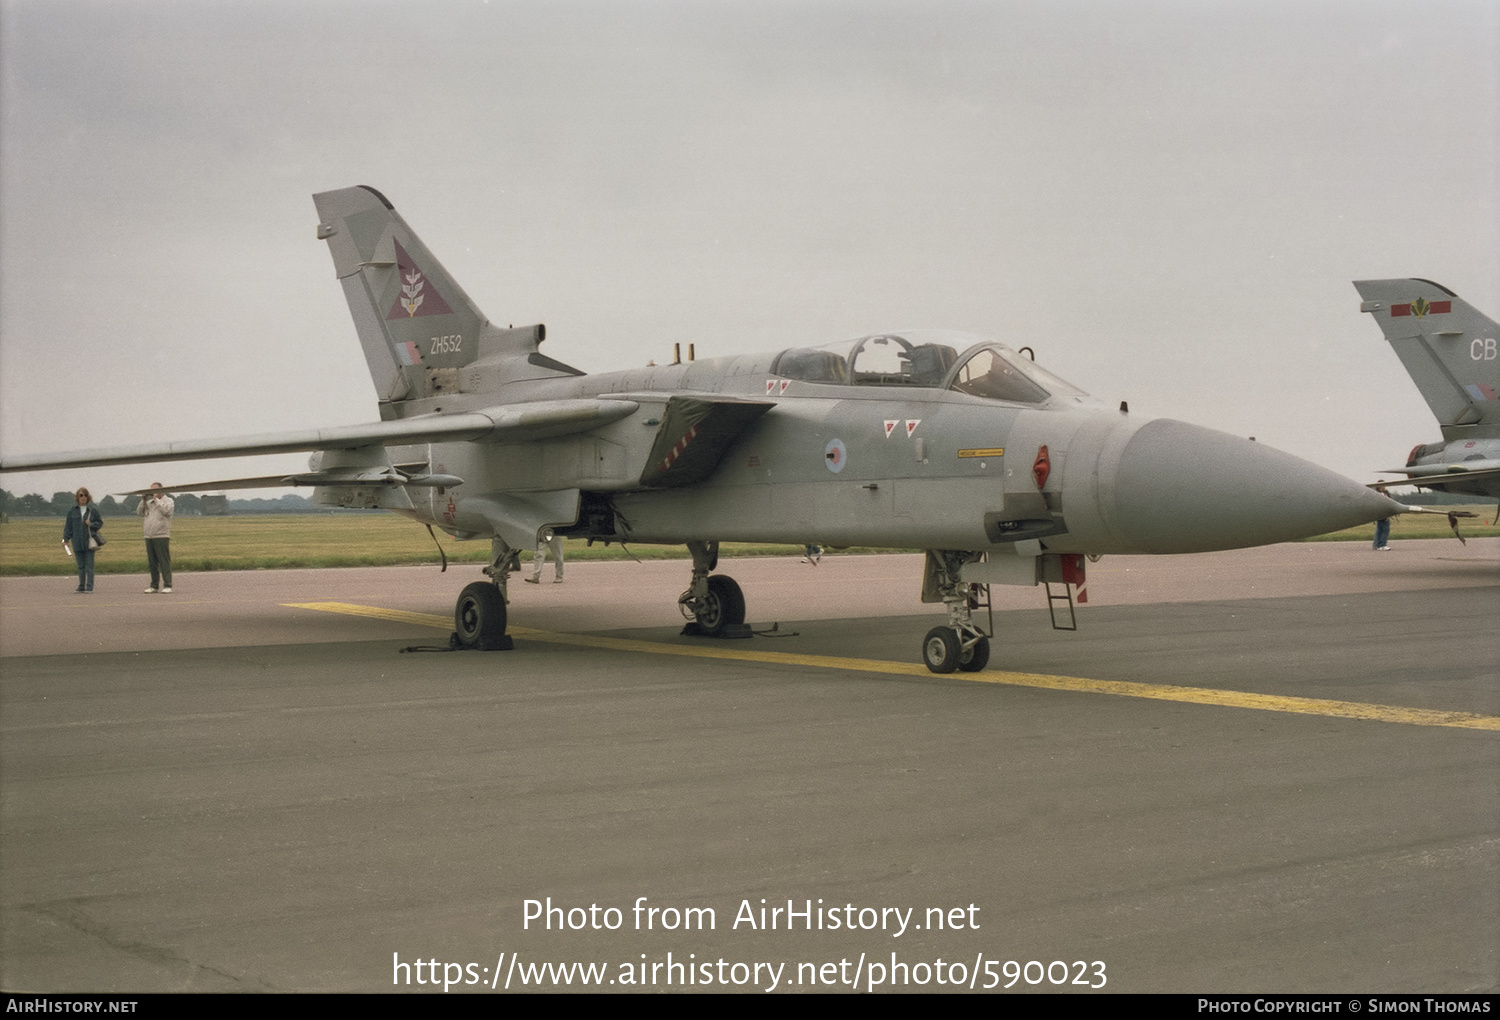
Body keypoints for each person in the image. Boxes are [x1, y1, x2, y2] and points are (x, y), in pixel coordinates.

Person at [62, 487, 103, 593]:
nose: (83, 497)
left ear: (88, 497)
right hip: (77, 541)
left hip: (89, 542)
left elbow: (100, 523)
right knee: (80, 566)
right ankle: (81, 586)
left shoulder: (93, 510)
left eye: (85, 495)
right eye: (81, 495)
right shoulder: (72, 511)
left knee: (89, 565)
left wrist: (92, 524)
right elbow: (68, 526)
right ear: (77, 497)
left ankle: (89, 587)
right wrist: (65, 539)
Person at [137, 483, 175, 592]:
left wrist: (157, 500)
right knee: (152, 562)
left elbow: (167, 511)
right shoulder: (149, 503)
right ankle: (154, 585)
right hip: (149, 535)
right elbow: (139, 512)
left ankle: (167, 585)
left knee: (164, 560)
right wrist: (143, 500)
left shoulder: (168, 501)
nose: (153, 492)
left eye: (156, 490)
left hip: (161, 535)